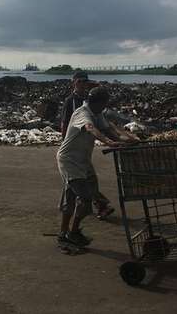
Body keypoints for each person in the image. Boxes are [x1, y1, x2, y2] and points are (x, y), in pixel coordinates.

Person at [56, 87, 137, 249]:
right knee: (85, 199)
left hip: (83, 161)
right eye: (105, 103)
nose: (106, 106)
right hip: (69, 161)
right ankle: (72, 232)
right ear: (99, 102)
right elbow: (90, 128)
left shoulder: (97, 113)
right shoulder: (83, 113)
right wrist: (108, 142)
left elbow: (109, 130)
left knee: (75, 195)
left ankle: (64, 233)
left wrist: (128, 139)